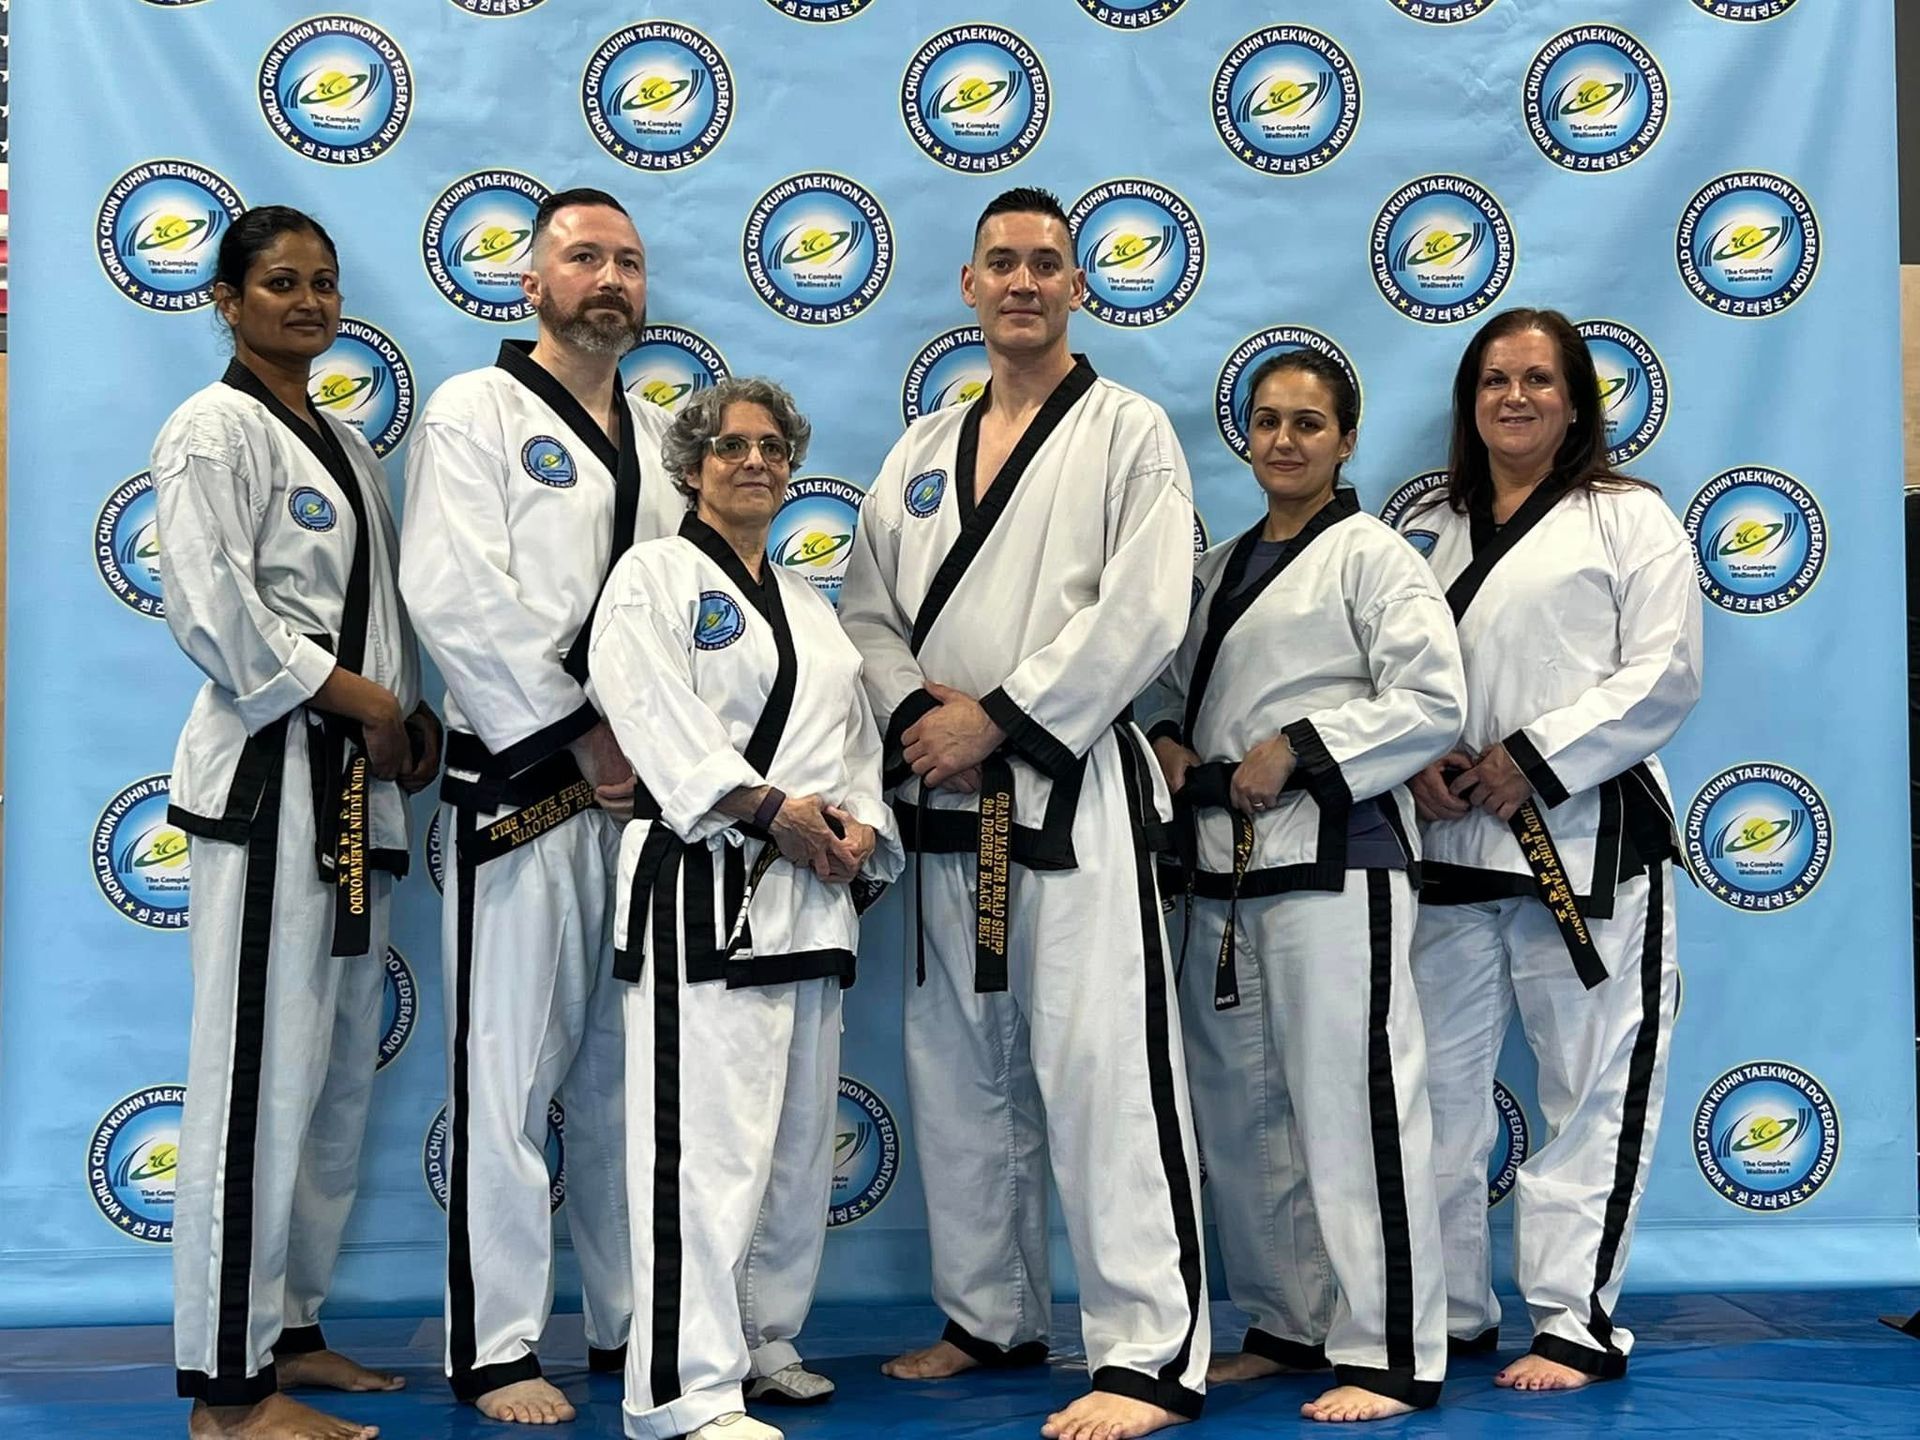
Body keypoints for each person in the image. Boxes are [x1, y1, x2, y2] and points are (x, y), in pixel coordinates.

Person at [838, 186, 1207, 1440]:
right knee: (957, 1071)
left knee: (1102, 1068)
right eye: (1002, 263)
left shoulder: (1127, 432)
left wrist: (997, 712)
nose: (1024, 284)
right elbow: (866, 611)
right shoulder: (920, 449)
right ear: (968, 285)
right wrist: (913, 717)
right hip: (942, 795)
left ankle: (1148, 1351)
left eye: (1048, 265)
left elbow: (1146, 611)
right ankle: (990, 1316)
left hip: (1066, 790)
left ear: (1079, 288)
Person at [154, 205, 439, 1440]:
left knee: (327, 1086)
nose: (309, 303)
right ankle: (227, 1392)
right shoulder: (214, 431)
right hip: (276, 782)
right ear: (225, 299)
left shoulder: (346, 442)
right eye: (279, 283)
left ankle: (292, 1328)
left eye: (324, 283)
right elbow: (214, 612)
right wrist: (362, 699)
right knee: (256, 1083)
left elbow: (382, 620)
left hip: (354, 796)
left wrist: (408, 717)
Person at [400, 187, 684, 1424]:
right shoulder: (476, 411)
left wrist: (657, 747)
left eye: (625, 260)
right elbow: (454, 595)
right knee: (508, 1078)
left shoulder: (668, 435)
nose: (608, 277)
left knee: (633, 1080)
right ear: (531, 282)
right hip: (522, 790)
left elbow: (688, 610)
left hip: (641, 805)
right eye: (583, 257)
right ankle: (499, 1345)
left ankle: (631, 1327)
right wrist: (579, 730)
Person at [1144, 350, 1465, 1423]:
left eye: (1310, 424)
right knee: (1249, 1113)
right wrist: (1170, 744)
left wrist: (1303, 745)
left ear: (1347, 439)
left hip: (1339, 859)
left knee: (1354, 1103)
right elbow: (1169, 691)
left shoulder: (1374, 557)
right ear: (1245, 435)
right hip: (1227, 869)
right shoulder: (1219, 567)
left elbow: (1432, 700)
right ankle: (1289, 1322)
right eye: (1269, 422)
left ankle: (1390, 1349)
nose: (1285, 441)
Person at [588, 377, 904, 1440]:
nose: (755, 462)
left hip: (812, 907)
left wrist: (859, 829)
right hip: (705, 887)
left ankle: (762, 1338)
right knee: (703, 1150)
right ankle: (681, 1388)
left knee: (791, 1146)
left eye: (772, 446)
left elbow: (853, 748)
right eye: (731, 448)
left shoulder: (813, 609)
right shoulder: (653, 577)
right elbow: (646, 708)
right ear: (691, 468)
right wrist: (770, 808)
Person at [1396, 308, 1701, 1392]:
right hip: (1454, 843)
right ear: (1468, 403)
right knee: (1435, 1092)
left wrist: (1535, 753)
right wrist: (1418, 757)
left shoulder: (1629, 518)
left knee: (1593, 1084)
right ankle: (1450, 1308)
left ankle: (1575, 1317)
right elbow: (1408, 682)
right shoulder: (1437, 532)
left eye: (1536, 379)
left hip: (1587, 837)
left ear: (1575, 402)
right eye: (1492, 380)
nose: (1513, 398)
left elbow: (1663, 674)